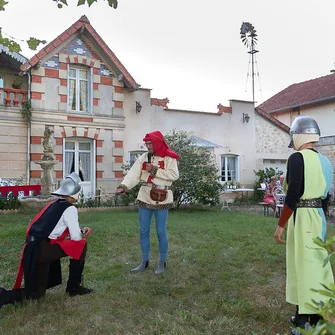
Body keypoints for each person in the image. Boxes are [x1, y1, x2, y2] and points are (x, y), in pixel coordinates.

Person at [273, 116, 334, 335]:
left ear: (298, 136)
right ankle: (308, 316)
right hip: (318, 218)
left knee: (304, 266)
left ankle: (306, 323)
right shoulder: (325, 161)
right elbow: (327, 197)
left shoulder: (297, 158)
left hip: (303, 218)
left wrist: (281, 225)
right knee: (315, 266)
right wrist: (320, 217)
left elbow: (293, 195)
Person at [0, 172, 93, 310]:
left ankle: (3, 296)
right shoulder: (70, 208)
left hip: (33, 249)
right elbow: (76, 238)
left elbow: (53, 228)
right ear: (74, 194)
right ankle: (74, 288)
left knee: (36, 294)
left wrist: (79, 230)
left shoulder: (53, 205)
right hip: (42, 250)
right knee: (81, 245)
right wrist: (81, 234)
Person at [116, 131, 179, 275]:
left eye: (150, 143)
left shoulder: (170, 157)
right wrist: (124, 186)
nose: (148, 146)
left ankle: (162, 262)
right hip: (145, 195)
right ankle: (144, 261)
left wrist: (155, 170)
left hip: (162, 196)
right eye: (146, 143)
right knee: (143, 230)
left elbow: (175, 175)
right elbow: (134, 173)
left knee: (161, 231)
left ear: (157, 142)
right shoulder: (144, 157)